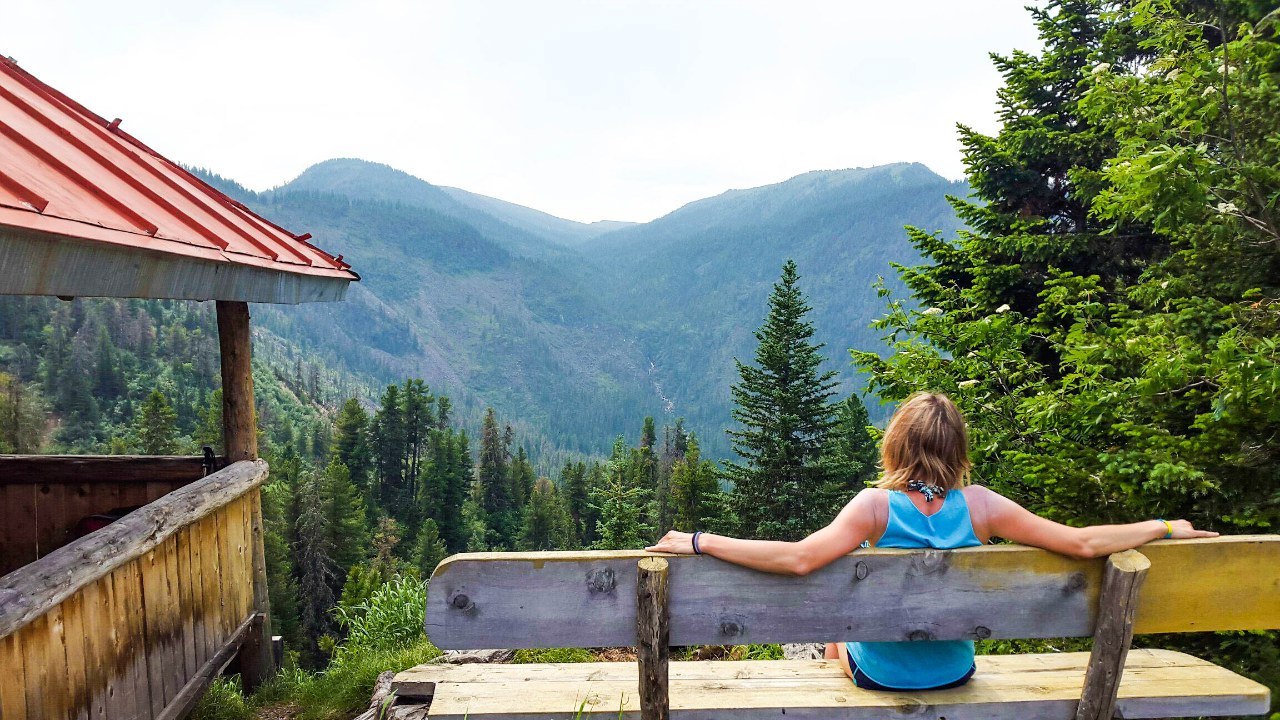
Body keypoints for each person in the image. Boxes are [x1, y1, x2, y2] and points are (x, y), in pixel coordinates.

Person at [645, 391, 1218, 692]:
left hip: (883, 676)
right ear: (957, 450)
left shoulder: (874, 506)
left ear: (896, 445)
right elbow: (1086, 543)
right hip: (955, 672)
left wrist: (700, 540)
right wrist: (1165, 528)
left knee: (831, 642)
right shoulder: (984, 507)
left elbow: (798, 560)